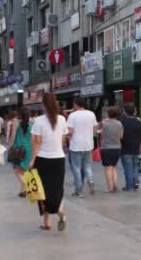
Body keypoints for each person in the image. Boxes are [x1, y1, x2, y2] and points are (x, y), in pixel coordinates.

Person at [29, 93, 68, 231]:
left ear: (43, 105)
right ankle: (60, 209)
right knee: (57, 188)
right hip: (59, 159)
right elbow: (63, 141)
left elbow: (36, 143)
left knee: (42, 190)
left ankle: (47, 222)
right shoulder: (62, 119)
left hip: (42, 160)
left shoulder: (38, 121)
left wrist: (32, 160)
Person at [67, 97, 98, 197]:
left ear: (76, 104)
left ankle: (79, 191)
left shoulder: (72, 115)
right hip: (88, 144)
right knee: (87, 166)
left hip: (76, 145)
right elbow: (95, 130)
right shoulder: (91, 114)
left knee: (76, 168)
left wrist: (67, 138)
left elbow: (70, 131)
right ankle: (91, 180)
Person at [121, 104, 141, 191]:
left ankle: (129, 186)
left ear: (125, 112)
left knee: (128, 168)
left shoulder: (123, 122)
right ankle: (135, 182)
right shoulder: (138, 122)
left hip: (126, 148)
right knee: (135, 166)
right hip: (136, 148)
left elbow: (121, 135)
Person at [8, 108, 31, 197]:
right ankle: (23, 191)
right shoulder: (31, 125)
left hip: (18, 149)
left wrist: (10, 146)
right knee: (24, 171)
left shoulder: (16, 123)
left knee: (17, 171)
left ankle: (26, 186)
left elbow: (13, 136)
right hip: (28, 149)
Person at [100, 107, 123, 193]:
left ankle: (110, 187)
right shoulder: (119, 124)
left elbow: (102, 135)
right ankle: (115, 184)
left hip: (106, 148)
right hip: (117, 148)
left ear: (108, 114)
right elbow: (121, 136)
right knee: (113, 167)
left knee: (107, 168)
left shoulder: (105, 124)